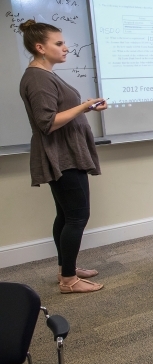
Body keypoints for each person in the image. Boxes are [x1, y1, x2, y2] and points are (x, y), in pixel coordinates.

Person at [18, 20, 107, 294]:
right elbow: (47, 122)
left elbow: (59, 112)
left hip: (67, 152)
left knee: (66, 214)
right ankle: (69, 280)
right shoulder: (37, 78)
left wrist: (85, 108)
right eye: (59, 44)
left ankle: (65, 268)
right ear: (40, 47)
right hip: (63, 155)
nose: (66, 48)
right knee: (78, 216)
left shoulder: (45, 75)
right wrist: (82, 107)